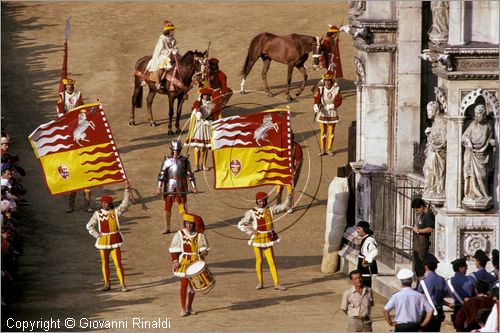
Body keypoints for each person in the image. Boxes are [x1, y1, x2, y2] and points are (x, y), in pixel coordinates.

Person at [237, 192, 291, 290]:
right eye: (260, 201)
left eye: (263, 201)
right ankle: (260, 282)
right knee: (259, 261)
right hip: (258, 238)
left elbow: (284, 206)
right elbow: (241, 224)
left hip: (268, 237)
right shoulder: (251, 212)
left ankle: (277, 283)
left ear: (266, 200)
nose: (261, 203)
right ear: (257, 201)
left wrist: (289, 197)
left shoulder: (270, 210)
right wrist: (250, 232)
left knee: (271, 261)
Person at [86, 185, 131, 292]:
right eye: (102, 203)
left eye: (105, 203)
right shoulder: (97, 214)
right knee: (104, 263)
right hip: (103, 241)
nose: (103, 204)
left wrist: (127, 190)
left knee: (118, 263)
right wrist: (97, 235)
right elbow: (89, 226)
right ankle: (107, 283)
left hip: (115, 240)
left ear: (110, 203)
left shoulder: (115, 212)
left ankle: (122, 284)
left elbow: (125, 203)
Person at [56, 78, 92, 213]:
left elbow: (82, 107)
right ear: (66, 86)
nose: (71, 87)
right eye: (69, 85)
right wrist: (63, 117)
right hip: (67, 121)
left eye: (72, 85)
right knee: (74, 185)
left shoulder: (78, 94)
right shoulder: (62, 95)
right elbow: (60, 108)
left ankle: (87, 205)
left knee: (87, 185)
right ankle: (71, 206)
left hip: (76, 120)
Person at [169, 213, 209, 317]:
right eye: (186, 223)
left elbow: (203, 248)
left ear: (193, 224)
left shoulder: (199, 235)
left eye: (190, 224)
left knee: (193, 287)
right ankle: (183, 308)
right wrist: (175, 261)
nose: (188, 226)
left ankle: (189, 307)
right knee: (184, 285)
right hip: (185, 262)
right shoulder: (180, 234)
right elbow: (174, 249)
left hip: (196, 262)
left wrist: (204, 252)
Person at [155, 140, 198, 234]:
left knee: (182, 208)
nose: (176, 152)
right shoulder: (166, 160)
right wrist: (158, 187)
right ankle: (167, 227)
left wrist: (194, 187)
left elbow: (189, 174)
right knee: (167, 208)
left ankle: (183, 227)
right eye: (174, 150)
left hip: (181, 185)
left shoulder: (184, 160)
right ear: (171, 149)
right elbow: (161, 175)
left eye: (178, 150)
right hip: (169, 185)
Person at [462, 103, 496, 209]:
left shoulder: (488, 126)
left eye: (479, 114)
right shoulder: (473, 124)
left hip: (482, 155)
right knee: (471, 176)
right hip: (472, 154)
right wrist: (468, 141)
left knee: (482, 176)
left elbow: (491, 138)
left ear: (484, 114)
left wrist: (492, 142)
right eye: (475, 114)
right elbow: (464, 136)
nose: (477, 116)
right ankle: (473, 194)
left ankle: (483, 195)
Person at [416, 253, 450, 332]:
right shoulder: (442, 279)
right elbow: (443, 294)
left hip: (426, 312)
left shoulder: (423, 280)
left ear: (426, 266)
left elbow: (419, 297)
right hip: (438, 311)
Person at [313, 71, 342, 156]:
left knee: (331, 132)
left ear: (331, 81)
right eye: (325, 80)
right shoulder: (320, 89)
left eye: (329, 80)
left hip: (332, 112)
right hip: (323, 112)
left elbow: (339, 100)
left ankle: (329, 149)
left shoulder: (336, 89)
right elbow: (317, 98)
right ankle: (322, 149)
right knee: (323, 132)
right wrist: (315, 105)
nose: (327, 82)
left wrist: (332, 105)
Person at [423, 101, 447, 202]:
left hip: (438, 153)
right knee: (427, 170)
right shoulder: (435, 122)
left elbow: (444, 139)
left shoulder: (442, 121)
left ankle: (438, 190)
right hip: (433, 151)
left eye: (429, 110)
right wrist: (430, 134)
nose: (427, 113)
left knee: (435, 171)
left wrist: (431, 136)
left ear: (436, 111)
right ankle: (431, 189)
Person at [185, 87, 214, 171]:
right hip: (199, 127)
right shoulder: (198, 103)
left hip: (207, 126)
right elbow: (195, 106)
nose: (205, 97)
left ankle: (204, 165)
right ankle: (197, 165)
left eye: (207, 95)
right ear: (201, 95)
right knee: (197, 146)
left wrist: (210, 122)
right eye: (204, 95)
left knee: (205, 147)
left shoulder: (212, 104)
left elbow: (214, 115)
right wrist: (197, 112)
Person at [146, 20, 179, 90]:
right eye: (172, 30)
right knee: (163, 65)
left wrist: (175, 51)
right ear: (169, 31)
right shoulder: (162, 40)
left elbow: (175, 47)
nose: (174, 32)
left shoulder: (173, 40)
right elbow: (159, 50)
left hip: (171, 56)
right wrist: (170, 51)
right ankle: (158, 82)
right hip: (162, 56)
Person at [276, 132, 303, 213]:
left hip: (290, 170)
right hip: (280, 170)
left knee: (290, 189)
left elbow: (299, 160)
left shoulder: (296, 146)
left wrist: (295, 170)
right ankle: (278, 205)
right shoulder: (280, 146)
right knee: (279, 188)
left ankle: (289, 205)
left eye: (291, 136)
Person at [410, 198, 435, 278]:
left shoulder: (428, 215)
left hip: (422, 242)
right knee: (417, 261)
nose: (416, 212)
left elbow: (430, 228)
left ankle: (420, 280)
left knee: (420, 262)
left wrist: (418, 230)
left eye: (417, 210)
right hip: (418, 241)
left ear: (421, 207)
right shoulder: (422, 215)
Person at [448, 257, 473, 329]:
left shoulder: (449, 282)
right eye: (465, 267)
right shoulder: (470, 279)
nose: (467, 269)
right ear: (460, 268)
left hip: (457, 310)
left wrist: (447, 304)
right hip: (469, 310)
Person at [356, 221, 378, 288]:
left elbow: (374, 251)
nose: (357, 231)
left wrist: (366, 260)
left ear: (364, 229)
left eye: (359, 229)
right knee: (361, 284)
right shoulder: (364, 239)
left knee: (366, 285)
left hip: (366, 266)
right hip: (362, 265)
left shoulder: (370, 240)